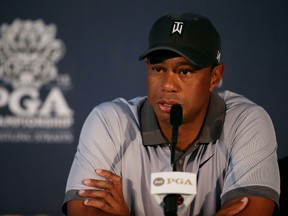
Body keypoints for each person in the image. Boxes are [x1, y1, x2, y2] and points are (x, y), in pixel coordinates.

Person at [62, 11, 280, 215]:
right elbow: (85, 208)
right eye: (158, 69)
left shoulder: (246, 121)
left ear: (215, 77)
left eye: (184, 71)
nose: (167, 85)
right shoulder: (111, 121)